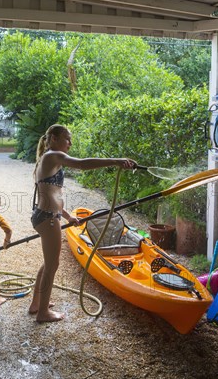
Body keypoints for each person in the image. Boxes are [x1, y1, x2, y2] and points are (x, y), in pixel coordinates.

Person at [29, 124, 137, 322]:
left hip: (46, 215)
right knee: (52, 265)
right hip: (47, 218)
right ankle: (43, 313)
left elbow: (52, 194)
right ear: (53, 138)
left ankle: (37, 303)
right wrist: (116, 161)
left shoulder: (50, 159)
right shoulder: (53, 156)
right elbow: (82, 164)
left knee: (48, 263)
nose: (70, 143)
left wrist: (68, 216)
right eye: (67, 139)